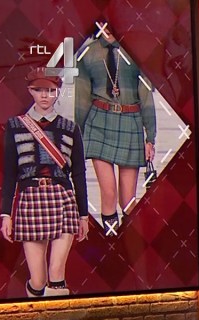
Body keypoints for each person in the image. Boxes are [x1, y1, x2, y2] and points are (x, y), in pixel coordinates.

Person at [0, 68, 90, 298]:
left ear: (57, 92)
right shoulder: (15, 125)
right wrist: (6, 214)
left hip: (63, 199)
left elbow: (78, 173)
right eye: (39, 90)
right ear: (30, 91)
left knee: (57, 273)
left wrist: (83, 215)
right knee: (38, 280)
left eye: (50, 90)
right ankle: (37, 312)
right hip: (30, 199)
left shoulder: (70, 128)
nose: (44, 95)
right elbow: (9, 173)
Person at [75, 25, 156, 236]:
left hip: (131, 121)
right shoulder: (88, 53)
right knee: (109, 193)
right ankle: (112, 242)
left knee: (128, 201)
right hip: (98, 122)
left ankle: (133, 245)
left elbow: (146, 95)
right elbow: (82, 98)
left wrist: (150, 137)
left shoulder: (135, 49)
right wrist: (77, 137)